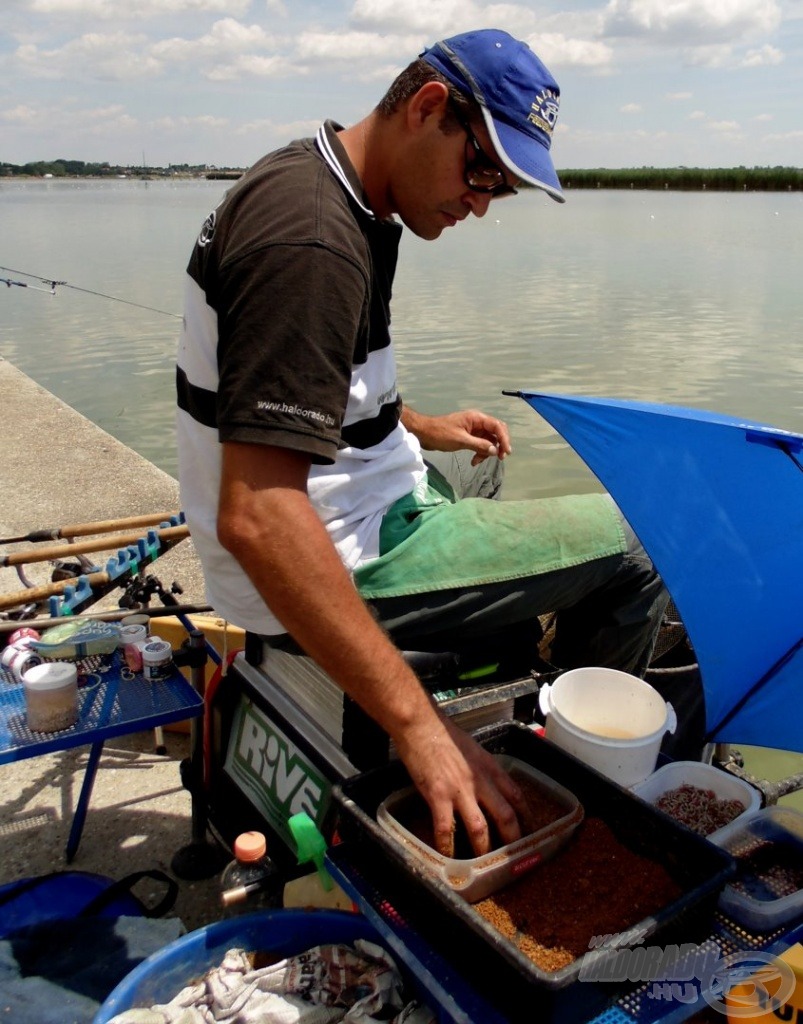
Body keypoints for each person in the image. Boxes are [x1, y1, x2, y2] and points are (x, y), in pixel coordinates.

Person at [177, 28, 669, 858]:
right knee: (641, 544)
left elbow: (305, 388)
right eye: (483, 172)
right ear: (428, 107)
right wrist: (419, 725)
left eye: (502, 191)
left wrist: (416, 425)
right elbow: (259, 517)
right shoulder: (312, 241)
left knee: (483, 478)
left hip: (366, 499)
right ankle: (590, 780)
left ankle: (531, 674)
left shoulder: (346, 194)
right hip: (340, 556)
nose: (481, 203)